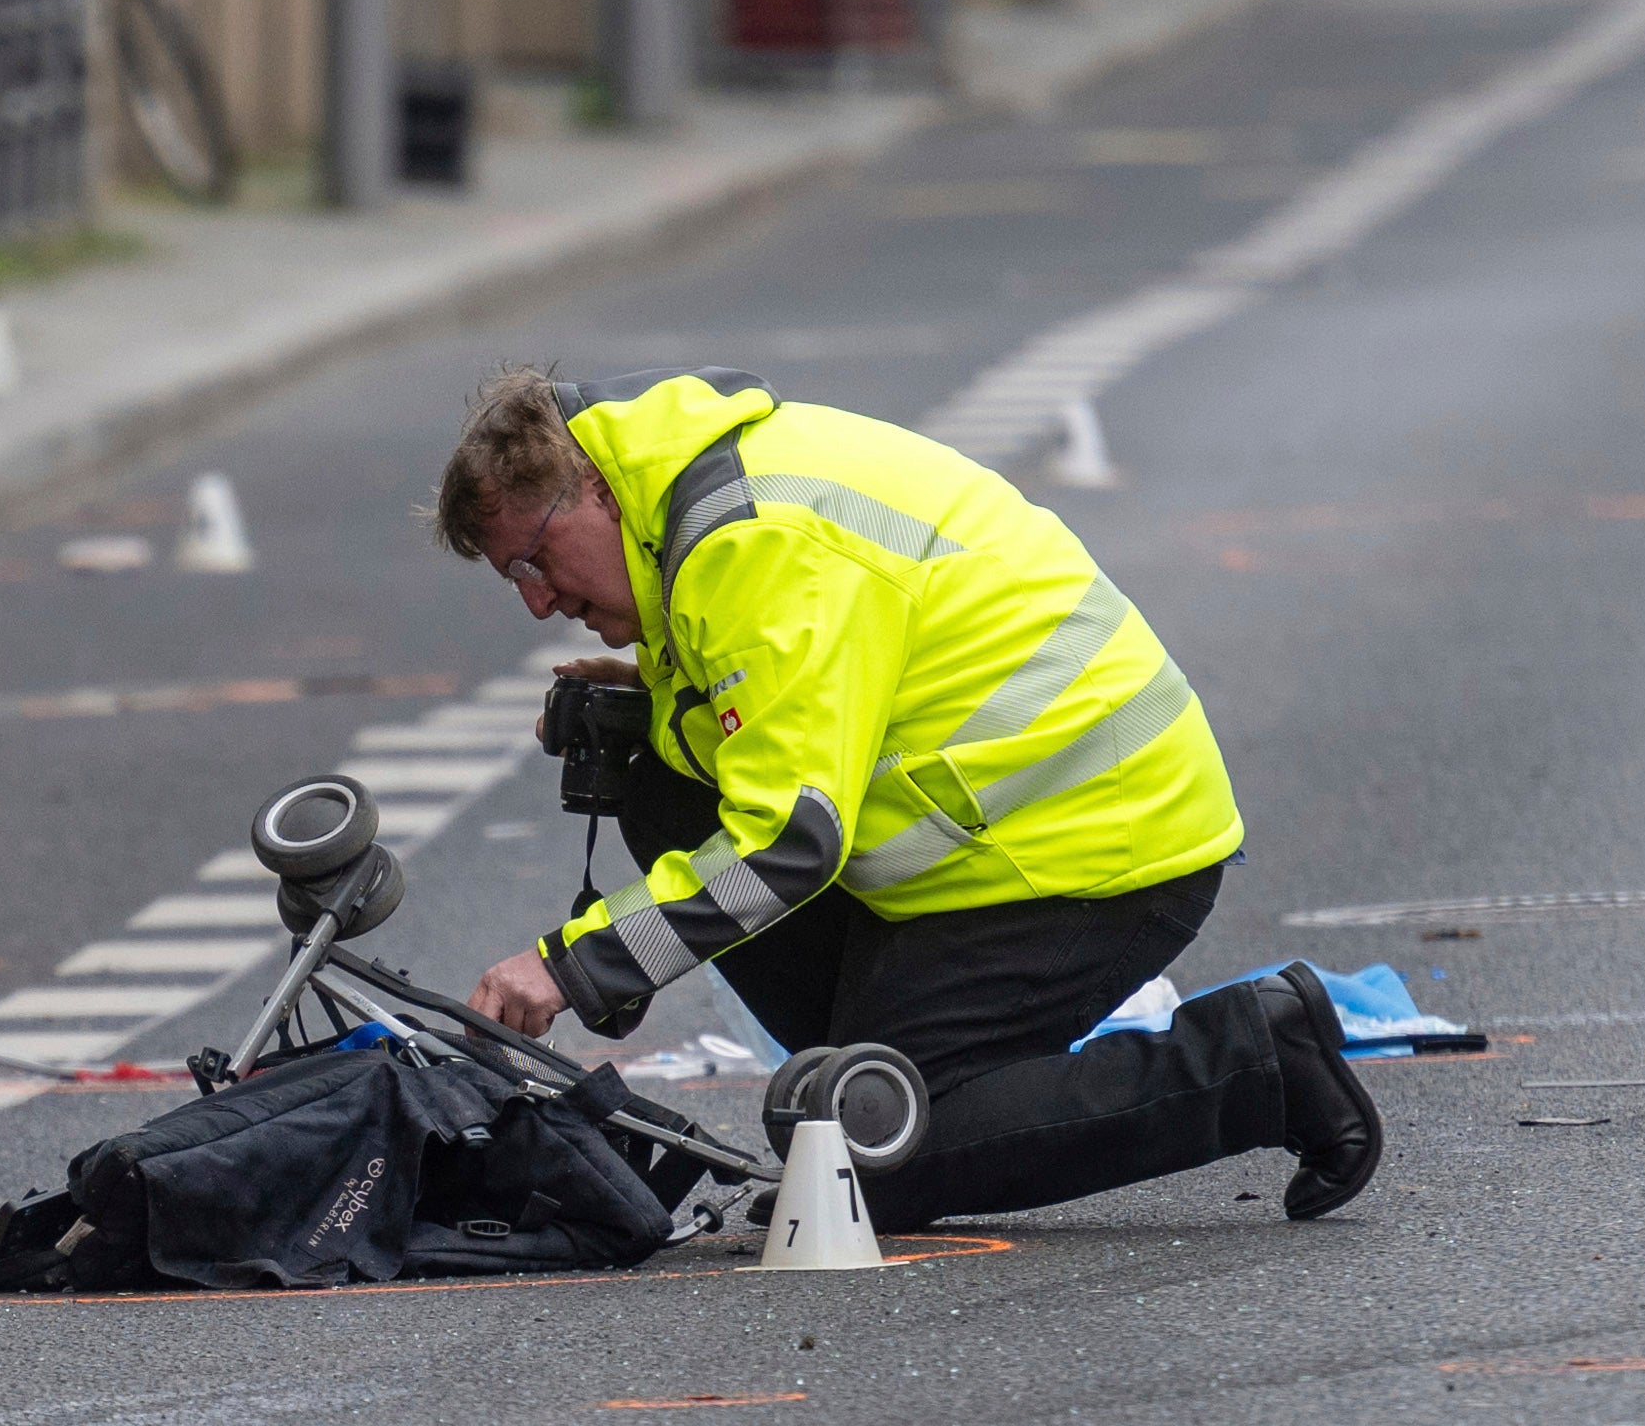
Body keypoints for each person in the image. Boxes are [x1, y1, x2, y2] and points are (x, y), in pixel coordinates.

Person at [435, 366, 1383, 1234]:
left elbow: (788, 841)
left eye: (534, 559)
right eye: (509, 578)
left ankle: (1256, 1061)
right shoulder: (678, 498)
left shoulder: (752, 544)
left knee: (875, 1164)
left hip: (1097, 846)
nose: (535, 600)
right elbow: (792, 719)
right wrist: (656, 710)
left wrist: (575, 963)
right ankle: (890, 1079)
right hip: (997, 843)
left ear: (593, 489)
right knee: (658, 784)